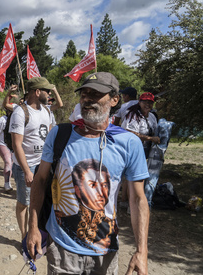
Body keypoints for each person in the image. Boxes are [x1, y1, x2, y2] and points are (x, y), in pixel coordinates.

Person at [27, 72, 150, 275]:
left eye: (96, 94)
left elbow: (138, 199)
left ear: (114, 99)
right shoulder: (60, 134)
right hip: (62, 248)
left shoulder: (129, 143)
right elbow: (40, 181)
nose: (87, 99)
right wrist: (32, 227)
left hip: (106, 251)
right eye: (84, 94)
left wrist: (141, 251)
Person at [9, 77, 56, 241]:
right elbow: (17, 145)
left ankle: (37, 232)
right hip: (25, 167)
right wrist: (27, 171)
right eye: (47, 91)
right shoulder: (20, 112)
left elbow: (49, 137)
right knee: (24, 203)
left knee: (42, 200)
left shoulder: (47, 111)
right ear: (37, 92)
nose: (50, 94)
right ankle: (24, 236)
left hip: (43, 165)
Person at [121, 92, 160, 159]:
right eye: (145, 102)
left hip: (144, 150)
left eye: (150, 102)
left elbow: (155, 132)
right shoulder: (133, 115)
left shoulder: (152, 116)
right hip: (130, 150)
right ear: (139, 102)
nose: (147, 104)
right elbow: (130, 133)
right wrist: (150, 138)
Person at [0, 109, 14, 191]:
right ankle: (7, 183)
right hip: (3, 144)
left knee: (11, 163)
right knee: (8, 162)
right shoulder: (2, 120)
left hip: (13, 145)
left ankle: (9, 181)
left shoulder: (17, 120)